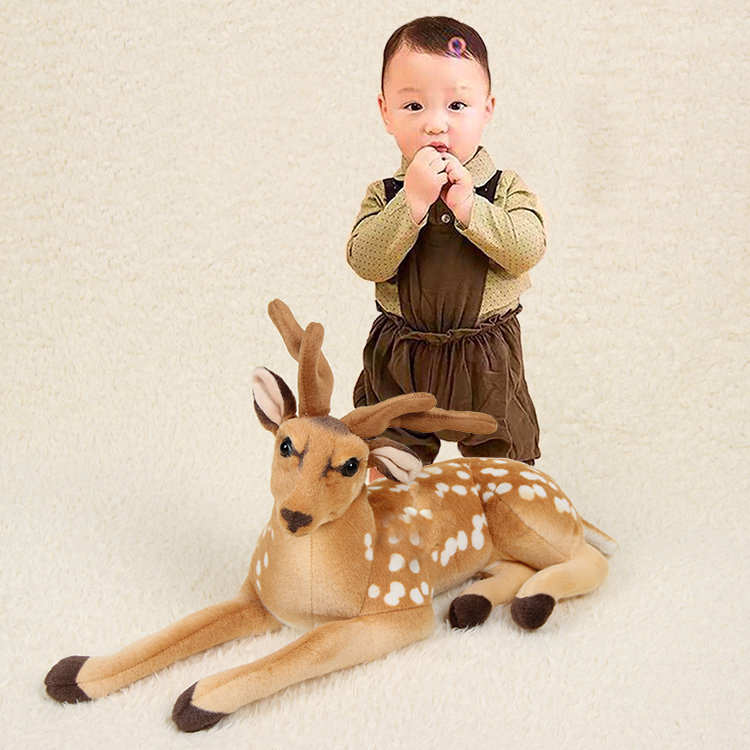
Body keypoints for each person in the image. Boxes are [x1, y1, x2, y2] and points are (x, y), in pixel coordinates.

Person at [347, 16, 546, 480]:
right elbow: (365, 260)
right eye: (413, 105)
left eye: (457, 105)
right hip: (403, 354)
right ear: (385, 112)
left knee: (502, 465)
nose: (435, 124)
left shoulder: (504, 188)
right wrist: (411, 203)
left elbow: (527, 250)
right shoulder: (385, 194)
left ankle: (502, 513)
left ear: (487, 109)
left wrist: (471, 207)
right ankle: (392, 516)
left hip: (486, 355)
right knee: (387, 457)